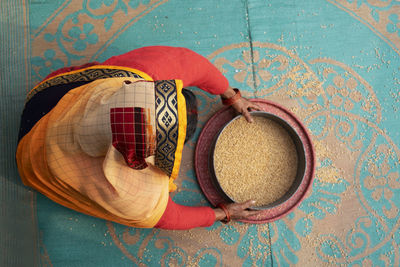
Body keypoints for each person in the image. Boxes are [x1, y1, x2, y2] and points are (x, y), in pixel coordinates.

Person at [16, 46, 264, 230]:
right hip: (35, 165)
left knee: (112, 69)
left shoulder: (137, 78)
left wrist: (231, 95)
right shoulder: (136, 198)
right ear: (141, 158)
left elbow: (193, 64)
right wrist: (224, 213)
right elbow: (171, 218)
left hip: (45, 99)